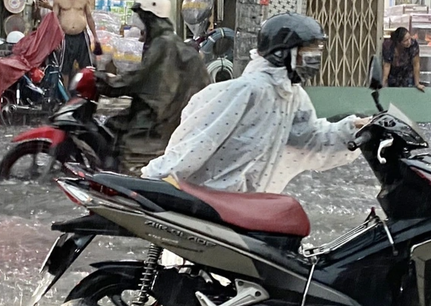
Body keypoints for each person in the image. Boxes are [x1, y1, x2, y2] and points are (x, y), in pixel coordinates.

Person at [140, 13, 368, 194]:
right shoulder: (247, 91)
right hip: (217, 201)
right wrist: (153, 182)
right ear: (283, 53)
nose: (314, 60)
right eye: (307, 53)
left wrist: (352, 130)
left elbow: (309, 138)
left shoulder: (291, 95)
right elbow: (200, 141)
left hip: (249, 201)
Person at [96, 0, 210, 171]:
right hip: (170, 108)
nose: (137, 20)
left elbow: (140, 78)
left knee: (128, 141)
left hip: (163, 113)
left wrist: (107, 83)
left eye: (141, 16)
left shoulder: (163, 43)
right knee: (113, 124)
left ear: (151, 17)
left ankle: (128, 179)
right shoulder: (164, 41)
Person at [53, 0, 101, 84]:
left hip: (81, 36)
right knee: (64, 69)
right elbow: (54, 20)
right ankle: (65, 96)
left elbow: (89, 17)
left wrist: (95, 37)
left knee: (86, 68)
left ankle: (85, 95)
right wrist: (55, 39)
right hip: (65, 37)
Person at [381, 27, 425, 91]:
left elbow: (416, 64)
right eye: (405, 40)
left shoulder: (413, 45)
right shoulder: (389, 46)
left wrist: (417, 83)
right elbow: (387, 65)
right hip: (393, 74)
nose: (409, 42)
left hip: (407, 72)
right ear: (398, 42)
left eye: (409, 38)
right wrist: (384, 81)